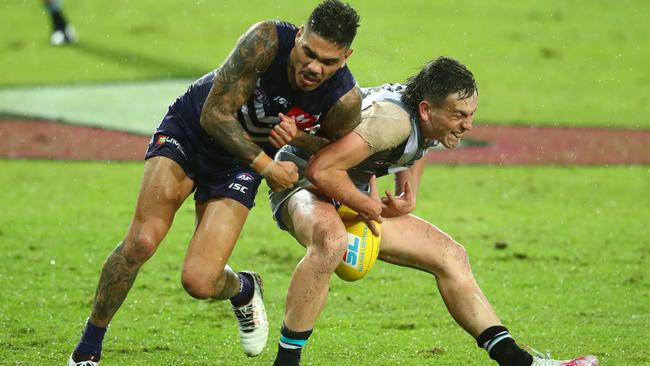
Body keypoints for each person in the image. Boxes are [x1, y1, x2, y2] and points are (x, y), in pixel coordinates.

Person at [67, 1, 362, 365]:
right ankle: (87, 349)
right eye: (309, 53)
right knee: (141, 241)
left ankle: (244, 288)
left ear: (347, 56)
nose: (314, 68)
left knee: (200, 282)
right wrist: (268, 166)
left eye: (329, 62)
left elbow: (334, 155)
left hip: (239, 162)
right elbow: (214, 113)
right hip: (191, 130)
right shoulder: (266, 40)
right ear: (299, 35)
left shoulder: (345, 100)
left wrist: (299, 139)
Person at [267, 57, 599, 366]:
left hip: (349, 187)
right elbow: (321, 170)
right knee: (330, 241)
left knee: (450, 255)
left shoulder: (428, 118)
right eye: (459, 115)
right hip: (300, 179)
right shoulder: (390, 121)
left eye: (471, 114)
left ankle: (521, 363)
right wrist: (367, 204)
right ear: (426, 109)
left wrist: (407, 191)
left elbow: (418, 144)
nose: (468, 125)